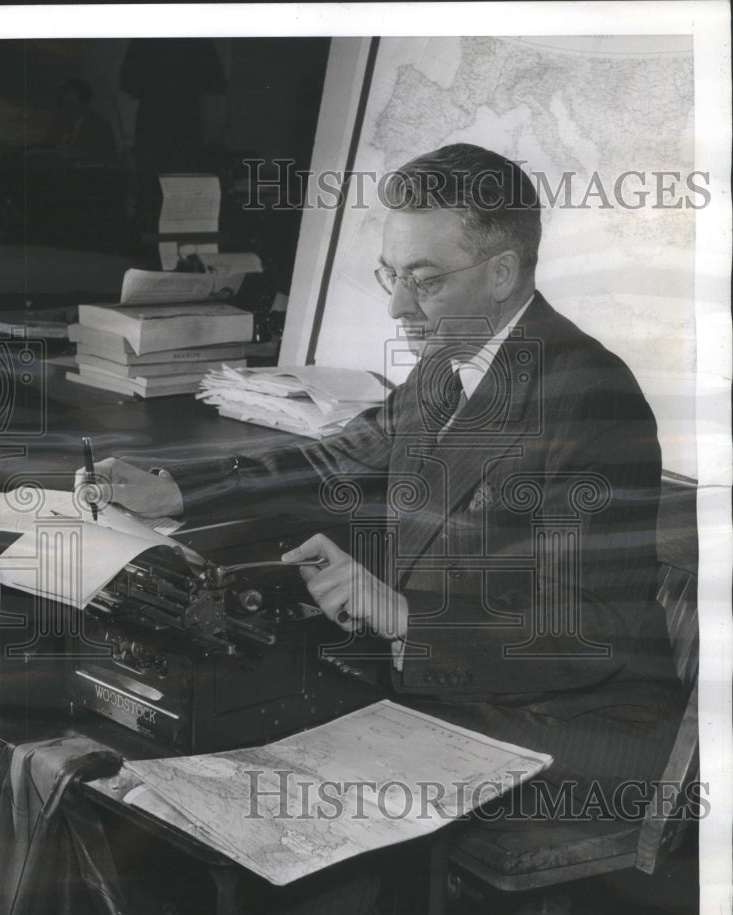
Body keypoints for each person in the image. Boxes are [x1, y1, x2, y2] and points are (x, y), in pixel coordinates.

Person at [84, 144, 684, 817]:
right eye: (389, 275)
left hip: (578, 725)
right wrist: (175, 487)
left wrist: (403, 616)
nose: (398, 306)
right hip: (458, 678)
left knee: (286, 792)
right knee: (222, 754)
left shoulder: (591, 396)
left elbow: (592, 635)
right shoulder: (453, 356)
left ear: (503, 272)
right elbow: (339, 455)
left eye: (424, 280)